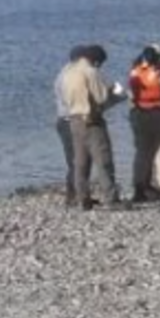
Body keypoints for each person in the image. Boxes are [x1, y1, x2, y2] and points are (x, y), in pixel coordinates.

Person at [55, 44, 125, 209]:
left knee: (80, 162)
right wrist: (115, 92)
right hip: (91, 121)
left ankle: (82, 199)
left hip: (73, 120)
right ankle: (111, 199)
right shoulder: (91, 72)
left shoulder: (67, 74)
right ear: (96, 60)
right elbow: (101, 98)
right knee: (103, 160)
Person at [126, 45, 160, 204]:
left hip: (140, 114)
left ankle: (139, 189)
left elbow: (130, 97)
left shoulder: (134, 73)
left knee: (142, 153)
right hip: (159, 114)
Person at [54, 44, 86, 205]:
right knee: (76, 160)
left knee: (75, 160)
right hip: (69, 121)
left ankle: (75, 193)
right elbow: (72, 101)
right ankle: (73, 195)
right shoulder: (70, 75)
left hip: (65, 120)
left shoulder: (67, 73)